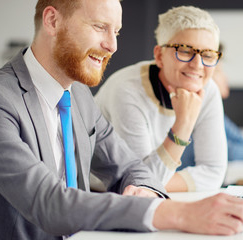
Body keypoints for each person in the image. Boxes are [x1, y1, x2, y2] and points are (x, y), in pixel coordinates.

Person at [0, 1, 243, 239]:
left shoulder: (78, 95)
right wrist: (178, 213)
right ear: (52, 21)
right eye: (100, 27)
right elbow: (49, 203)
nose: (113, 45)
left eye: (116, 31)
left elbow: (130, 167)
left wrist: (144, 191)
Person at [95, 6, 227, 193]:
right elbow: (138, 183)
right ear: (159, 55)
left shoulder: (208, 90)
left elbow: (214, 172)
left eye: (207, 55)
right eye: (185, 51)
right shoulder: (127, 90)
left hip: (143, 194)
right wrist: (183, 125)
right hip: (97, 195)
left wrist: (152, 182)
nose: (198, 65)